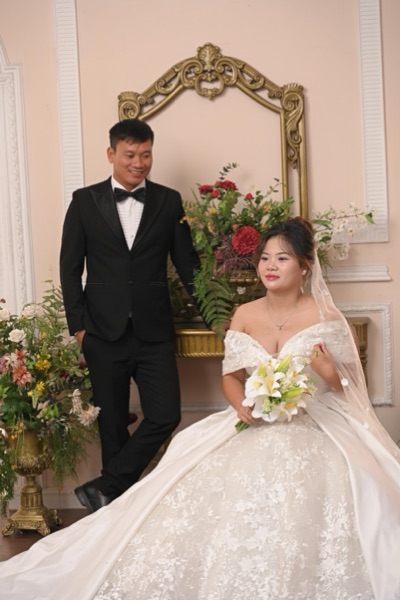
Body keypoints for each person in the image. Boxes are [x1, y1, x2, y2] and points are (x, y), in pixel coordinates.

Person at [1, 217, 400, 599]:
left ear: (305, 265)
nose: (270, 266)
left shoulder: (325, 316)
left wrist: (328, 372)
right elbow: (231, 377)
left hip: (313, 421)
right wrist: (240, 406)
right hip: (253, 419)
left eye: (282, 258)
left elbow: (350, 387)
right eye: (265, 257)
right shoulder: (244, 314)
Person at [59, 118, 201, 513]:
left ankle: (106, 486)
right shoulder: (84, 202)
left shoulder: (169, 201)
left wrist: (218, 316)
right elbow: (70, 269)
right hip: (101, 333)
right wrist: (79, 329)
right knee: (112, 424)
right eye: (130, 155)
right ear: (111, 154)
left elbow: (188, 266)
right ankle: (114, 516)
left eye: (146, 155)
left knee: (165, 414)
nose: (139, 163)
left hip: (154, 330)